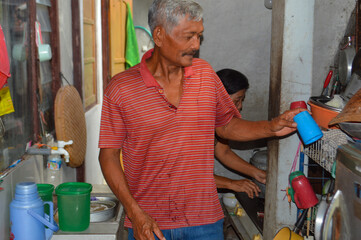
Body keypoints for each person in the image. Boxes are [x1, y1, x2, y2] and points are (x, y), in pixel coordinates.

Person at [98, 1, 303, 239]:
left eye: (199, 36)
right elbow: (109, 156)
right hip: (149, 222)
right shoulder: (122, 88)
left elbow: (226, 127)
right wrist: (135, 212)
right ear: (159, 35)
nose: (196, 45)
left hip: (204, 222)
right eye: (189, 37)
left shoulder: (205, 75)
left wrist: (270, 127)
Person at [214, 69, 266, 198]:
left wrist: (257, 173)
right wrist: (231, 184)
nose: (240, 106)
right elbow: (188, 174)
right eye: (237, 100)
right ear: (219, 96)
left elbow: (223, 151)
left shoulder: (217, 122)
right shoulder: (194, 124)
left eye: (242, 100)